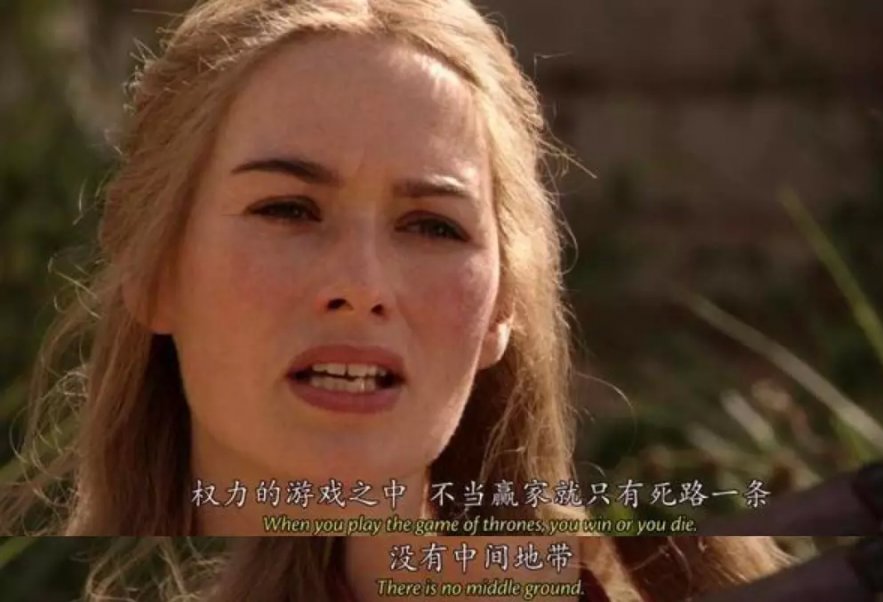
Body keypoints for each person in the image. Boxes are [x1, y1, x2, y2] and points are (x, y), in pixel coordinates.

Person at [1, 0, 790, 600]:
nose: (362, 286)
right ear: (155, 274)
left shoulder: (667, 578)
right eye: (288, 210)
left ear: (503, 307)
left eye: (433, 226)